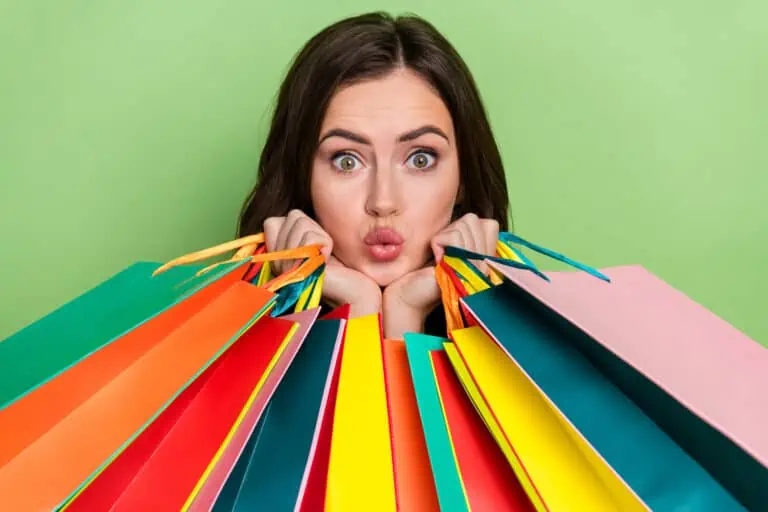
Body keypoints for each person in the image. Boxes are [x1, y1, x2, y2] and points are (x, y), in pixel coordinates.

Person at [237, 12, 511, 339]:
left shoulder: (536, 354)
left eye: (421, 159)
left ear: (464, 178)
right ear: (302, 177)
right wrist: (359, 308)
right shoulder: (218, 352)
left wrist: (406, 309)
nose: (383, 202)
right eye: (346, 161)